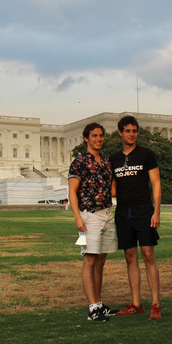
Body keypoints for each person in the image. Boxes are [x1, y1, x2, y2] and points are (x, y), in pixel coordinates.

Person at [109, 115, 163, 320]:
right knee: (130, 257)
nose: (132, 134)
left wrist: (156, 211)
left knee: (148, 255)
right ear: (120, 132)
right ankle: (136, 303)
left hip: (143, 210)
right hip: (123, 212)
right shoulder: (114, 158)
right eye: (128, 131)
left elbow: (155, 184)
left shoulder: (146, 155)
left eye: (135, 131)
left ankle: (156, 303)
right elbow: (113, 187)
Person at [68, 122, 117, 322]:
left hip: (106, 213)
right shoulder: (79, 162)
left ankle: (99, 303)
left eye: (101, 136)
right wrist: (77, 217)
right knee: (90, 260)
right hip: (89, 215)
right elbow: (72, 191)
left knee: (101, 260)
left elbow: (111, 188)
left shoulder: (105, 162)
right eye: (94, 136)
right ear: (86, 138)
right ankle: (92, 308)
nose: (99, 139)